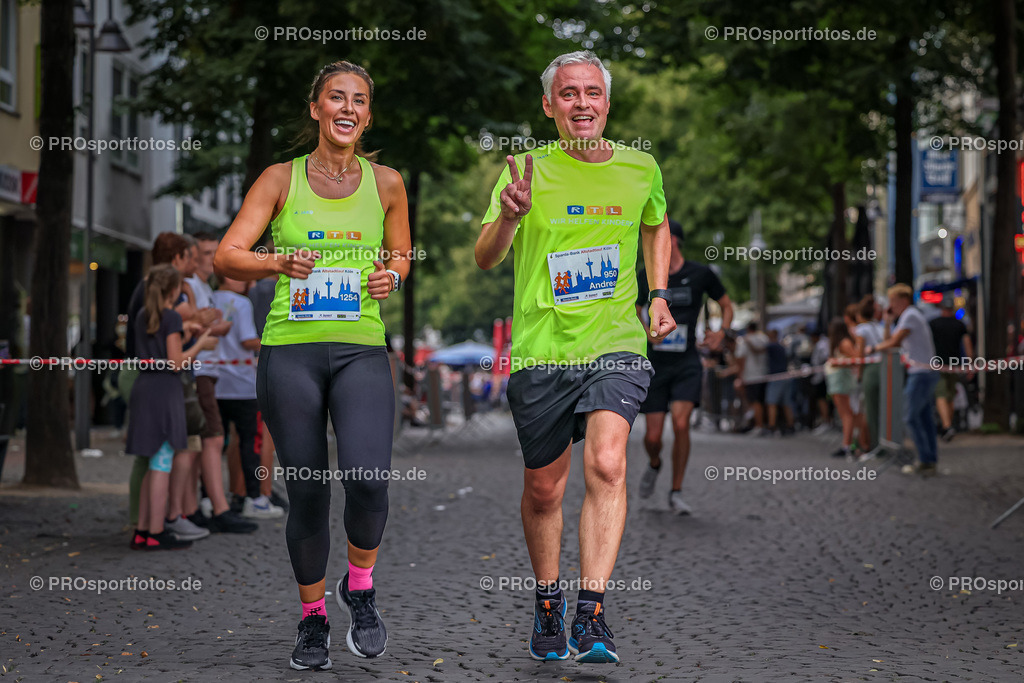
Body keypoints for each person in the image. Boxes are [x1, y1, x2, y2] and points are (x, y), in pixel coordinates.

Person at [476, 50, 673, 664]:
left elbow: (655, 224)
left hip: (615, 339)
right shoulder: (524, 171)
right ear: (549, 105)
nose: (581, 103)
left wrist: (658, 293)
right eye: (568, 94)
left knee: (610, 465)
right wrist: (509, 217)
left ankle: (592, 614)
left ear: (607, 104)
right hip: (543, 350)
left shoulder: (641, 168)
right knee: (543, 490)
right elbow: (486, 257)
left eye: (592, 92)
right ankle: (546, 602)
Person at [214, 60, 411, 671]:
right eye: (336, 98)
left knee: (369, 477)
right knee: (306, 490)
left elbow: (401, 252)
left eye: (358, 100)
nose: (347, 108)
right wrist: (276, 264)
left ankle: (359, 584)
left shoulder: (387, 184)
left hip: (359, 347)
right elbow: (228, 255)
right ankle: (313, 619)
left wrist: (392, 275)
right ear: (316, 109)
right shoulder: (279, 179)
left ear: (367, 114)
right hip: (291, 351)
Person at [634, 219, 733, 514]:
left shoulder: (700, 273)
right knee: (652, 437)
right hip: (655, 364)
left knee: (680, 424)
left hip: (688, 361)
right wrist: (644, 332)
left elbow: (726, 305)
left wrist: (722, 332)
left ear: (673, 240)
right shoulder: (646, 275)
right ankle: (654, 463)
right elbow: (634, 308)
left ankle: (676, 491)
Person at [128, 265, 217, 550]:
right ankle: (156, 531)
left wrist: (185, 331)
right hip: (165, 391)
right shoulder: (172, 317)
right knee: (162, 462)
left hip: (144, 389)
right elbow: (176, 362)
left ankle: (142, 530)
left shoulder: (145, 315)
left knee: (153, 460)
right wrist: (201, 342)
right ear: (174, 290)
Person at [213, 276, 283, 518]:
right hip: (242, 385)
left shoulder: (209, 298)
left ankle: (213, 498)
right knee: (252, 442)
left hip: (214, 381)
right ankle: (255, 497)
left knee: (214, 443)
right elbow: (247, 340)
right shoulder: (241, 303)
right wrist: (277, 341)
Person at [867, 284, 939, 475]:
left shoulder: (910, 315)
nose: (890, 305)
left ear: (904, 300)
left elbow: (893, 342)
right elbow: (890, 339)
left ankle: (925, 460)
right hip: (922, 372)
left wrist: (873, 349)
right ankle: (929, 460)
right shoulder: (907, 316)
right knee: (924, 418)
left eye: (893, 301)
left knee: (910, 417)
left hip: (921, 373)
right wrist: (888, 321)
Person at [929, 298, 974, 442]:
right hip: (955, 365)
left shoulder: (933, 324)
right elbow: (967, 345)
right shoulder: (959, 324)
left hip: (937, 364)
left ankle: (947, 425)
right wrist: (970, 364)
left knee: (941, 394)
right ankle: (948, 424)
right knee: (950, 395)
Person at [825, 317, 861, 458]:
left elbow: (857, 359)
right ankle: (848, 443)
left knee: (846, 413)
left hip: (841, 380)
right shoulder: (841, 343)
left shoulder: (844, 343)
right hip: (838, 380)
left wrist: (837, 362)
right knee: (845, 413)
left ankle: (848, 444)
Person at [854, 296, 884, 457]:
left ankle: (872, 445)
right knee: (881, 408)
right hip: (884, 368)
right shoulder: (879, 327)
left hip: (871, 369)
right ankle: (880, 442)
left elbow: (860, 355)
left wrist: (858, 373)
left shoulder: (862, 329)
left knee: (870, 409)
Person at [735, 321, 769, 434]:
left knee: (754, 402)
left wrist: (740, 377)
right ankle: (759, 424)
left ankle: (758, 426)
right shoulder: (764, 338)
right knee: (761, 401)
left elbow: (741, 359)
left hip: (750, 375)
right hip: (764, 374)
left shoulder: (743, 340)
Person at [764, 329, 794, 435]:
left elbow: (759, 349)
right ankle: (791, 425)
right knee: (786, 403)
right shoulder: (781, 347)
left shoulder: (772, 346)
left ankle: (771, 426)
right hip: (784, 376)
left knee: (771, 402)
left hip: (776, 377)